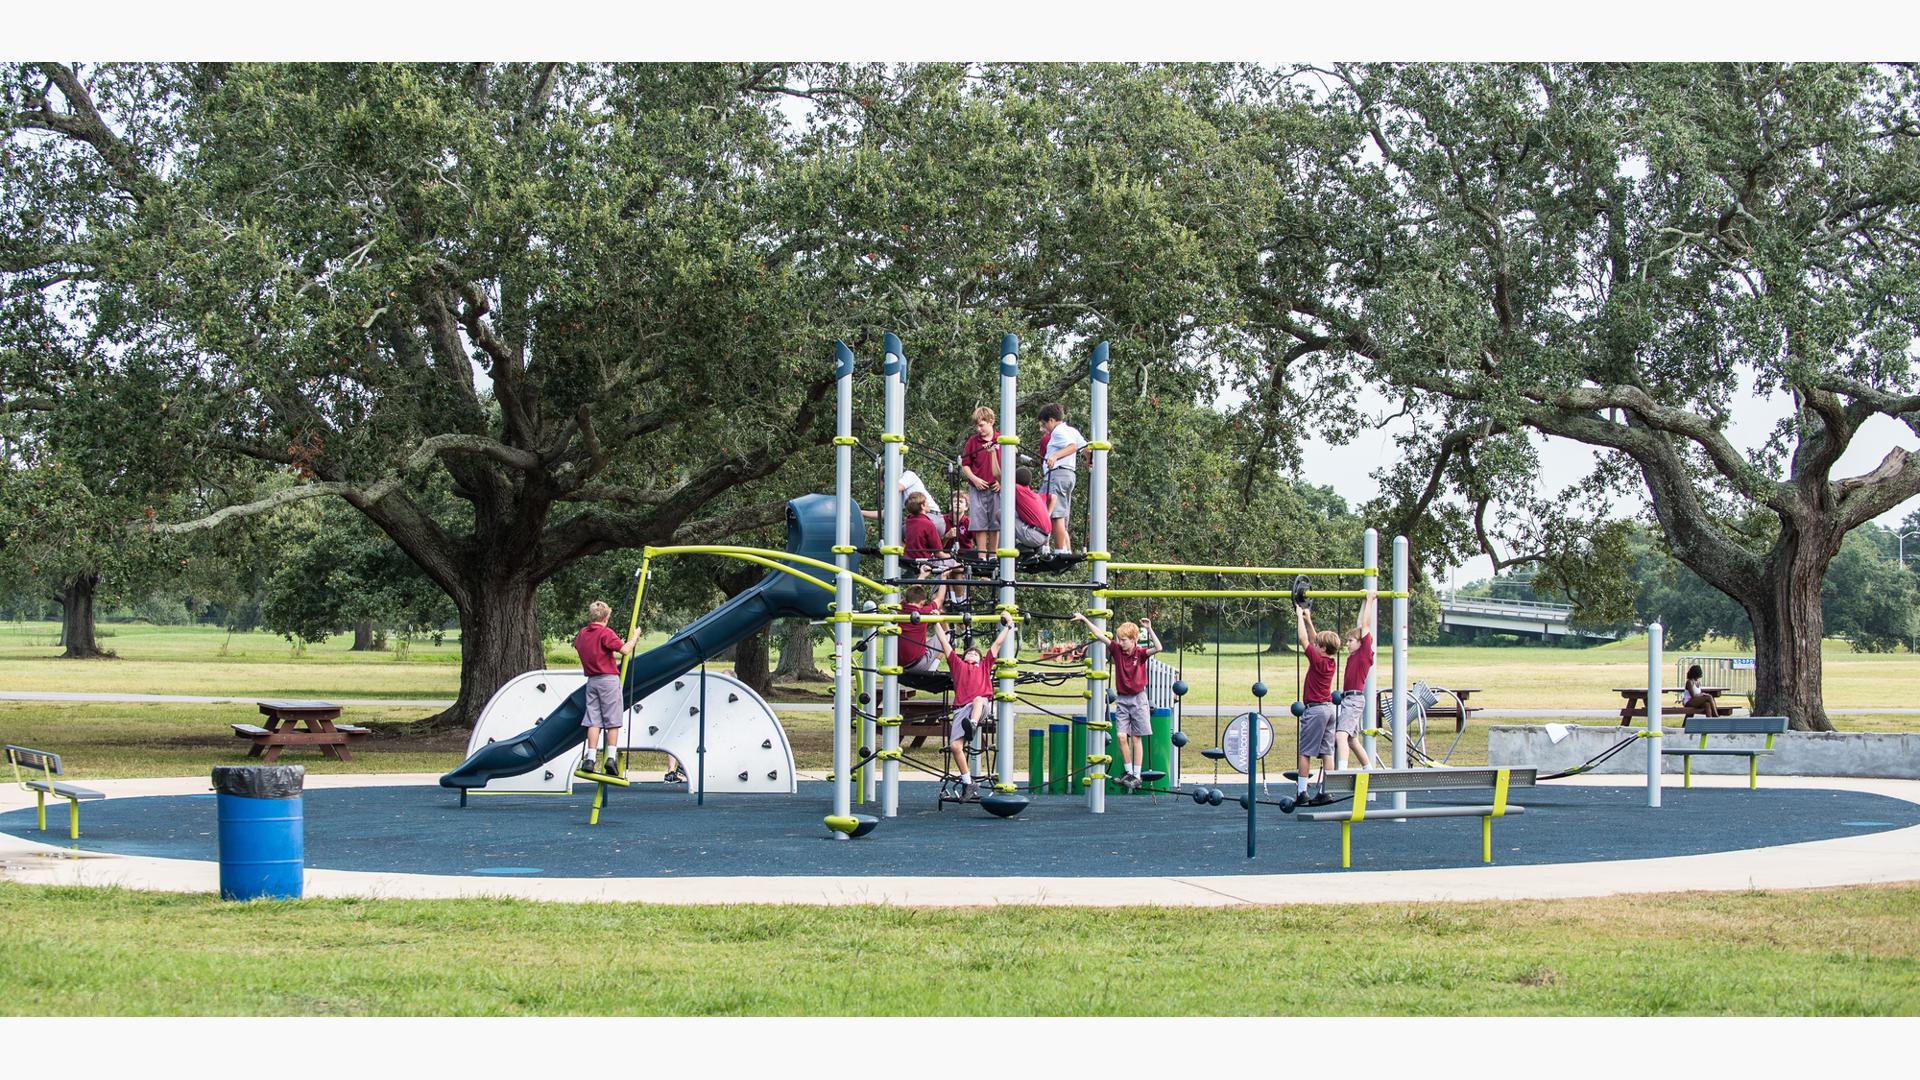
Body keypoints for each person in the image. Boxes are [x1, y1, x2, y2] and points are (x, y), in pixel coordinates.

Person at [1073, 612, 1162, 791]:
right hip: (1122, 699)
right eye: (1120, 640)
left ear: (1134, 639)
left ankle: (1136, 775)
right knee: (1121, 737)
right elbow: (1099, 634)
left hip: (1138, 699)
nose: (1121, 643)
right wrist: (1084, 619)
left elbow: (1158, 648)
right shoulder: (1116, 650)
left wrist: (1149, 628)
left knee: (1136, 738)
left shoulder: (1140, 653)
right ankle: (1128, 772)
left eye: (1124, 640)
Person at [930, 611, 1014, 801]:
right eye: (970, 653)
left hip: (979, 707)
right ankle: (969, 783)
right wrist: (936, 622)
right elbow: (944, 643)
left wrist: (1009, 626)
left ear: (980, 658)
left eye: (976, 653)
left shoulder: (985, 666)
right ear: (964, 657)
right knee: (955, 746)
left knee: (978, 699)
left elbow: (997, 644)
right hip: (961, 710)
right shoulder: (958, 665)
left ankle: (973, 725)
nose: (973, 654)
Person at [573, 600, 638, 777]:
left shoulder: (582, 634)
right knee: (612, 719)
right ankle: (611, 758)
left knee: (593, 719)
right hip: (608, 679)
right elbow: (624, 650)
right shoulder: (605, 633)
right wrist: (634, 638)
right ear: (606, 618)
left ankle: (590, 759)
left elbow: (580, 647)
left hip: (591, 681)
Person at [1294, 603, 1341, 805]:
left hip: (1315, 710)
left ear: (1322, 648)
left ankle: (1302, 792)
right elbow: (1315, 640)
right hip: (1330, 709)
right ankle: (1326, 792)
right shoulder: (1330, 661)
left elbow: (1305, 639)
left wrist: (1298, 616)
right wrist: (1308, 620)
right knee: (1327, 751)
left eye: (1318, 645)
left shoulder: (1317, 660)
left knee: (1305, 751)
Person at [1335, 593, 1378, 771]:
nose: (1347, 643)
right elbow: (1361, 625)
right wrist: (1363, 601)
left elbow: (1366, 625)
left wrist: (1370, 600)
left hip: (1354, 700)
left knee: (1340, 735)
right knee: (1352, 740)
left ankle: (1342, 771)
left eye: (1351, 641)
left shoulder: (1364, 655)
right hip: (1349, 700)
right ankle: (1369, 769)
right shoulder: (1354, 656)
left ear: (1362, 643)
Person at [1035, 403, 1086, 555]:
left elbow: (1072, 447)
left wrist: (1055, 456)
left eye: (1043, 425)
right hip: (1068, 475)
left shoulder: (1058, 432)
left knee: (1056, 513)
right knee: (1046, 506)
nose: (1042, 429)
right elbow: (1085, 448)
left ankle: (1060, 551)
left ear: (1051, 420)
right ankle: (1057, 548)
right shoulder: (1071, 430)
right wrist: (1089, 461)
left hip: (1058, 474)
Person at [959, 406, 1001, 556]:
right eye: (977, 426)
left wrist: (1001, 482)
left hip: (996, 488)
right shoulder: (973, 442)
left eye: (981, 425)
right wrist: (975, 479)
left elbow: (1008, 465)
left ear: (991, 422)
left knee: (996, 523)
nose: (979, 429)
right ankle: (982, 555)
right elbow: (965, 465)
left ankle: (993, 555)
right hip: (977, 488)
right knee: (979, 523)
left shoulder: (1001, 440)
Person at [896, 568, 949, 676]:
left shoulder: (900, 606)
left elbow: (911, 593)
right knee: (948, 634)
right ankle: (931, 671)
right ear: (921, 602)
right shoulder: (922, 612)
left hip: (897, 662)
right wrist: (944, 578)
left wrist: (922, 576)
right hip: (917, 665)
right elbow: (939, 600)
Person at [1009, 466, 1055, 554]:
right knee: (1016, 514)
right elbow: (1053, 497)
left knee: (1001, 514)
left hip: (1034, 536)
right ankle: (1027, 546)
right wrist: (1048, 514)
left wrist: (992, 453)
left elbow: (997, 475)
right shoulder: (1035, 495)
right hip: (1045, 537)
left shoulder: (1017, 489)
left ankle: (1013, 545)